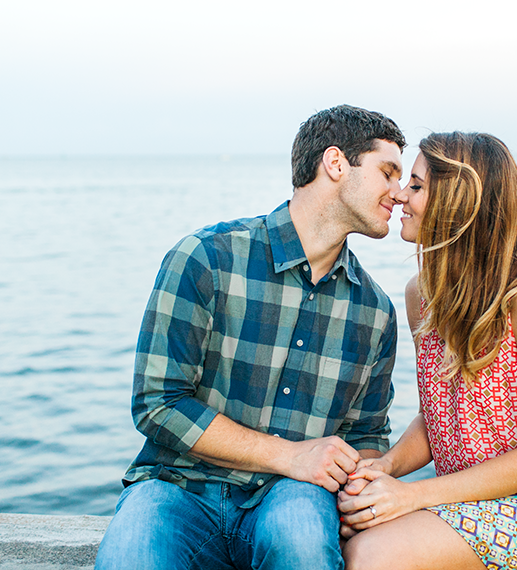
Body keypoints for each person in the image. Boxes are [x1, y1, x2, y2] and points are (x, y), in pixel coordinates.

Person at [94, 105, 407, 570]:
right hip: (176, 486)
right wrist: (289, 456)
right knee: (132, 556)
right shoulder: (207, 258)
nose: (399, 194)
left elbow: (366, 433)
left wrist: (359, 484)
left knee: (301, 541)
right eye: (388, 172)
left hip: (294, 499)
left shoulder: (375, 311)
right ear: (336, 163)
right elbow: (157, 403)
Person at [338, 132, 517, 570]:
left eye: (417, 185)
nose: (401, 196)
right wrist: (386, 468)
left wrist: (411, 495)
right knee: (347, 524)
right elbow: (439, 416)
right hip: (466, 502)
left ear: (459, 201)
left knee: (372, 552)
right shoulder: (419, 295)